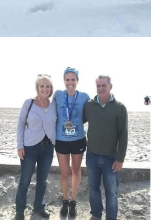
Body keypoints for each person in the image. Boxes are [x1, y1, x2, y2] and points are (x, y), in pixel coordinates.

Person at [84, 75, 128, 220]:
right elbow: (77, 122)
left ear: (110, 86)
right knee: (94, 188)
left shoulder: (119, 108)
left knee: (111, 191)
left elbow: (123, 135)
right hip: (91, 156)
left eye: (104, 85)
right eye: (98, 85)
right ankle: (96, 214)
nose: (101, 88)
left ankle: (111, 217)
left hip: (111, 158)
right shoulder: (89, 105)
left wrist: (120, 159)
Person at [15, 75, 57, 220]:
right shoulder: (29, 103)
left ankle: (39, 207)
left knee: (42, 181)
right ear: (37, 88)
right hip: (30, 148)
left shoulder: (54, 105)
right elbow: (20, 125)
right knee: (25, 180)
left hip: (48, 149)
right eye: (42, 86)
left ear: (51, 89)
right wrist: (20, 146)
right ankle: (20, 211)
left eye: (48, 86)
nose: (45, 89)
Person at [53, 67, 90, 218]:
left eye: (73, 79)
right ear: (64, 81)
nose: (70, 82)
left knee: (75, 171)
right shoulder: (57, 95)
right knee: (64, 172)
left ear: (77, 81)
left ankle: (73, 201)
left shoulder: (84, 96)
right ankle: (65, 200)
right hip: (61, 140)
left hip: (78, 140)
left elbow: (88, 115)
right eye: (67, 79)